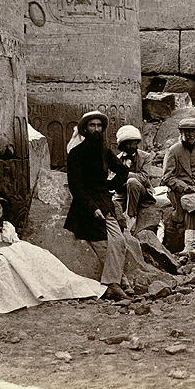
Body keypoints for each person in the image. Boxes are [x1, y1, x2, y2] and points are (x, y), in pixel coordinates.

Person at [0, 191, 105, 314]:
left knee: (37, 256)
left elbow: (16, 243)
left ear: (3, 210)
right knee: (4, 264)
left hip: (12, 255)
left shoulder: (8, 226)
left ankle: (64, 285)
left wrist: (9, 248)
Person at [64, 110, 131, 301]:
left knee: (119, 241)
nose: (96, 129)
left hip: (104, 202)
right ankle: (116, 284)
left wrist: (110, 185)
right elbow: (76, 187)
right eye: (92, 126)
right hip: (84, 207)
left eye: (99, 126)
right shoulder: (75, 154)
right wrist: (92, 207)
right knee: (103, 243)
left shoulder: (104, 151)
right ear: (85, 129)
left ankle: (114, 283)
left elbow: (122, 171)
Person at [162, 117, 195, 256]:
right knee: (190, 207)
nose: (190, 134)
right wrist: (183, 186)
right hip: (183, 191)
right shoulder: (173, 151)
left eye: (193, 131)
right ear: (181, 132)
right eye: (187, 131)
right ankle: (189, 247)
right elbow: (167, 177)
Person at [113, 125, 156, 233]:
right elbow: (113, 180)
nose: (131, 145)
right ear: (122, 145)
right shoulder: (117, 159)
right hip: (122, 193)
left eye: (133, 142)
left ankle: (131, 216)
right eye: (127, 143)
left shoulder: (146, 157)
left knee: (132, 182)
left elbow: (144, 178)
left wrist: (125, 174)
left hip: (142, 191)